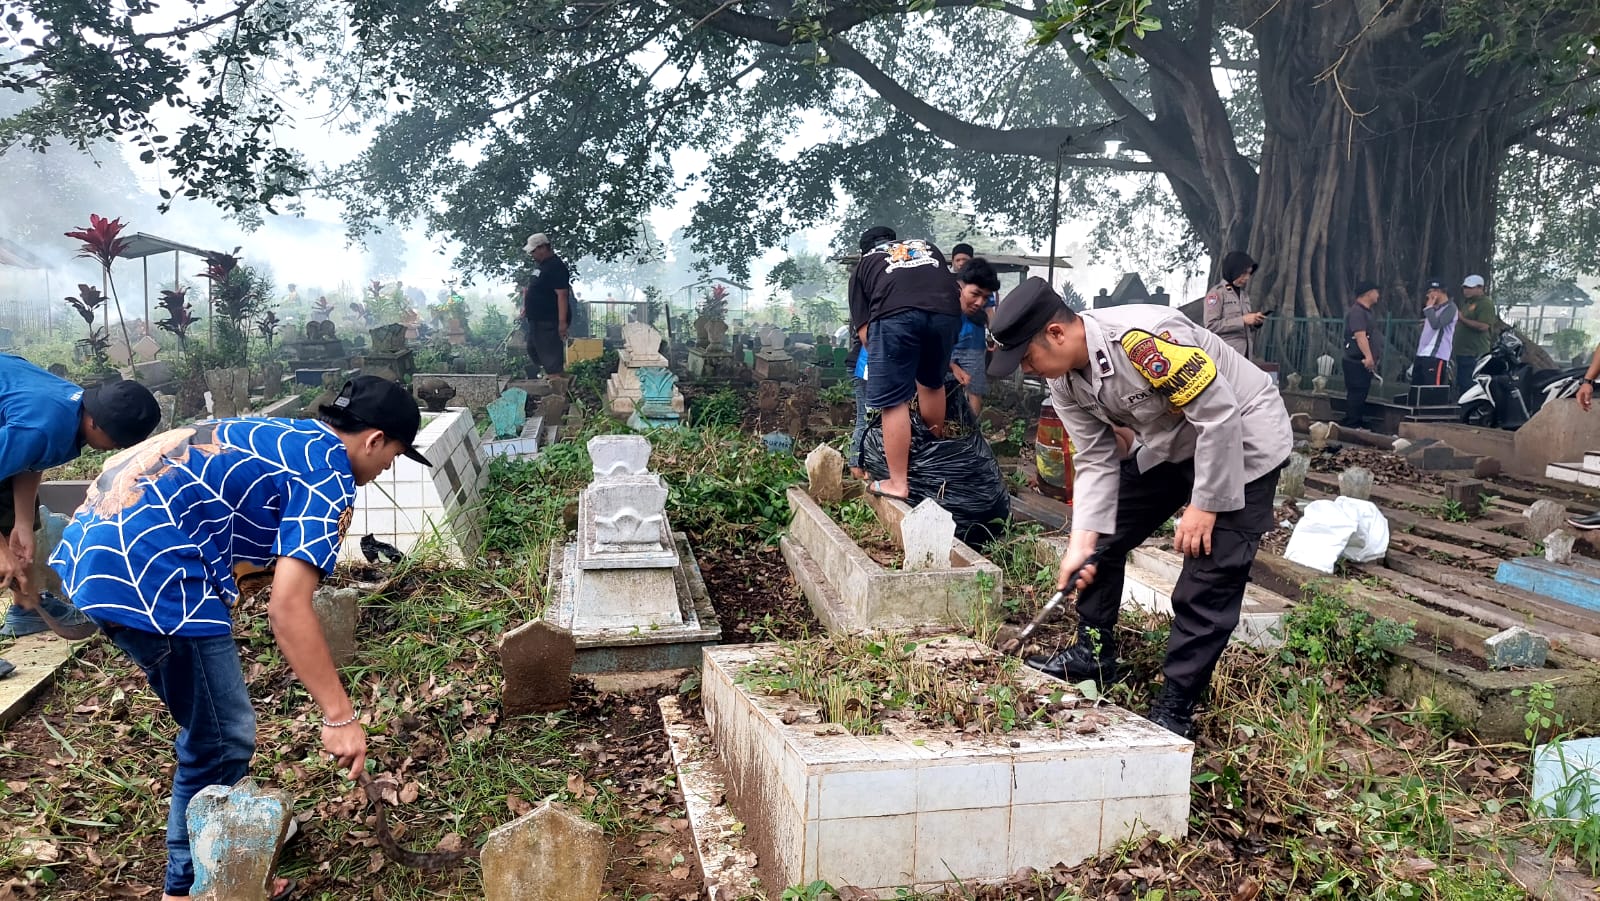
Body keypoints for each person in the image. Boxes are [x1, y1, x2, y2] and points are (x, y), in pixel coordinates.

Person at [50, 376, 431, 901]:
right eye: (393, 456)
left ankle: (230, 839)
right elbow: (288, 609)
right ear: (374, 440)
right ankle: (191, 886)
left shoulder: (286, 434)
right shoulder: (331, 475)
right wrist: (340, 718)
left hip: (93, 547)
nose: (387, 467)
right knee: (220, 737)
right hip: (151, 572)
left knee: (211, 724)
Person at [986, 278, 1290, 737]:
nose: (1028, 369)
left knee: (1208, 571)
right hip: (1175, 443)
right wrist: (1081, 543)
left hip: (1243, 437)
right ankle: (1093, 656)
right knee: (1102, 541)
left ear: (1056, 333)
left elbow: (1218, 415)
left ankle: (1175, 707)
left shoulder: (1144, 339)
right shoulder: (1064, 382)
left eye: (1027, 358)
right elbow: (1095, 459)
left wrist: (1204, 504)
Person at [0, 361, 160, 679]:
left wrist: (22, 522)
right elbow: (33, 440)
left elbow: (31, 459)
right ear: (96, 423)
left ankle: (26, 608)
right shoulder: (41, 427)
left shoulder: (72, 412)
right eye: (118, 441)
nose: (117, 448)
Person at [848, 225, 962, 501]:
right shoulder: (924, 246)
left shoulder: (864, 265)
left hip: (896, 315)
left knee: (893, 401)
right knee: (932, 384)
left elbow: (866, 336)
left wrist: (892, 371)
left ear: (863, 251)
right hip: (947, 312)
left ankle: (898, 482)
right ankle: (930, 458)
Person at [950, 258, 1000, 415]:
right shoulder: (942, 309)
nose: (979, 303)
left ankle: (972, 427)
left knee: (974, 389)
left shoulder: (979, 302)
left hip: (973, 346)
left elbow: (990, 314)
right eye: (975, 294)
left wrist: (995, 336)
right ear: (960, 285)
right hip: (950, 347)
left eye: (985, 297)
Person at [522, 232, 570, 377]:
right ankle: (552, 376)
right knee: (533, 349)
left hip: (549, 319)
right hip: (536, 319)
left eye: (533, 251)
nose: (532, 255)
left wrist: (562, 323)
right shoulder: (541, 266)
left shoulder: (556, 267)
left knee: (551, 357)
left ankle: (557, 383)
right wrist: (526, 306)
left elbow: (562, 295)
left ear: (543, 247)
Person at [1202, 251, 1265, 359]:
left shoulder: (1244, 295)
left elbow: (1244, 328)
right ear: (1234, 270)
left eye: (1249, 274)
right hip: (1225, 356)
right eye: (1243, 273)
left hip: (1245, 356)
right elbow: (1211, 326)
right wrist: (1243, 320)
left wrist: (1255, 322)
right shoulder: (1217, 293)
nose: (1247, 278)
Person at [1341, 282, 1383, 430]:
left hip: (1362, 359)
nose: (1378, 295)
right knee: (1356, 393)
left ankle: (1355, 421)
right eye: (1376, 291)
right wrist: (1368, 356)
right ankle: (1352, 424)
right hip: (1357, 360)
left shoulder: (1367, 312)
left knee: (1361, 393)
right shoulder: (1357, 312)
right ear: (1368, 293)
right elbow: (1360, 336)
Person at [1454, 274, 1496, 393]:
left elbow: (1483, 326)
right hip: (1463, 352)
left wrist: (1462, 319)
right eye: (1465, 287)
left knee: (1470, 384)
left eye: (1470, 288)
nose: (1466, 290)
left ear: (1480, 288)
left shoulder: (1485, 304)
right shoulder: (1467, 303)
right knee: (1462, 382)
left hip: (1474, 353)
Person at [1413, 279, 1456, 387]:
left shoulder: (1450, 308)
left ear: (1438, 291)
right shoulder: (1434, 309)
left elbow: (1437, 324)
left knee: (1431, 389)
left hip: (1436, 355)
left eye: (1430, 292)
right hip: (1422, 353)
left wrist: (1428, 308)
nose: (1428, 295)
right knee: (1417, 387)